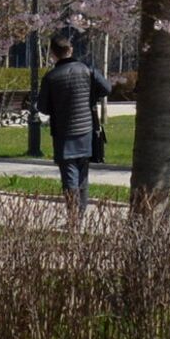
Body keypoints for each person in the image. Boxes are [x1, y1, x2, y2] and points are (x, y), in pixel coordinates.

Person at [37, 30, 110, 222]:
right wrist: (89, 97)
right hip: (86, 131)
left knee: (69, 177)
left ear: (52, 54)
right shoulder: (87, 70)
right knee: (83, 175)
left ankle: (73, 219)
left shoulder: (51, 77)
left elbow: (42, 107)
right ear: (71, 50)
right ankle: (80, 215)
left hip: (64, 134)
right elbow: (107, 88)